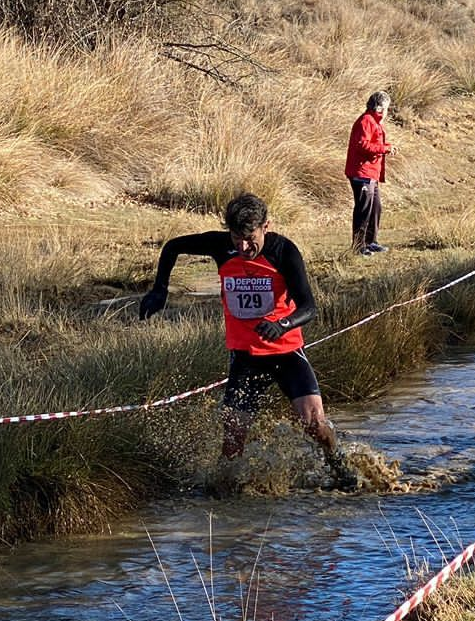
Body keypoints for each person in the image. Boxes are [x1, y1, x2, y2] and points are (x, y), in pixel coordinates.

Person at [136, 192, 353, 487]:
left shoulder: (283, 251)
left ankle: (339, 466)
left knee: (314, 426)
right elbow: (173, 246)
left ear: (266, 226)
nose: (243, 246)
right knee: (233, 437)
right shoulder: (220, 245)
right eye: (237, 238)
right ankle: (229, 500)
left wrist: (282, 324)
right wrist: (160, 288)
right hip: (245, 356)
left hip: (286, 353)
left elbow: (309, 307)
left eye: (250, 238)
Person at [345, 92, 392, 254]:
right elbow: (362, 146)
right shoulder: (366, 121)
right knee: (363, 209)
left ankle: (371, 241)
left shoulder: (374, 121)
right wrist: (385, 148)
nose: (387, 112)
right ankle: (359, 246)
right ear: (379, 108)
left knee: (375, 207)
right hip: (361, 173)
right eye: (386, 108)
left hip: (371, 173)